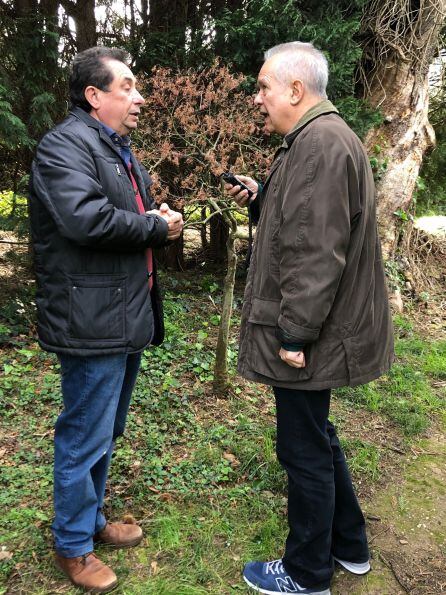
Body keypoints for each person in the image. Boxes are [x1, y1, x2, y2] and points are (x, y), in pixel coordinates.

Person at [224, 42, 393, 595]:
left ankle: (306, 573)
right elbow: (303, 220)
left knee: (301, 447)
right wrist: (263, 194)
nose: (259, 98)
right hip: (327, 324)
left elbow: (315, 253)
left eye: (264, 86)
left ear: (295, 90)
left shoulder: (318, 145)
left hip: (311, 330)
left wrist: (295, 334)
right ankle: (350, 545)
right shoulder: (319, 139)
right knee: (316, 436)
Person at [29, 46, 183, 593]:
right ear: (94, 96)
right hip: (90, 318)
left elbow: (122, 213)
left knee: (104, 430)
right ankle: (72, 544)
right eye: (127, 87)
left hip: (120, 314)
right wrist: (154, 227)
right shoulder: (63, 146)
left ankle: (89, 521)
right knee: (84, 433)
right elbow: (86, 219)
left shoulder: (115, 148)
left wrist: (153, 218)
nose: (138, 98)